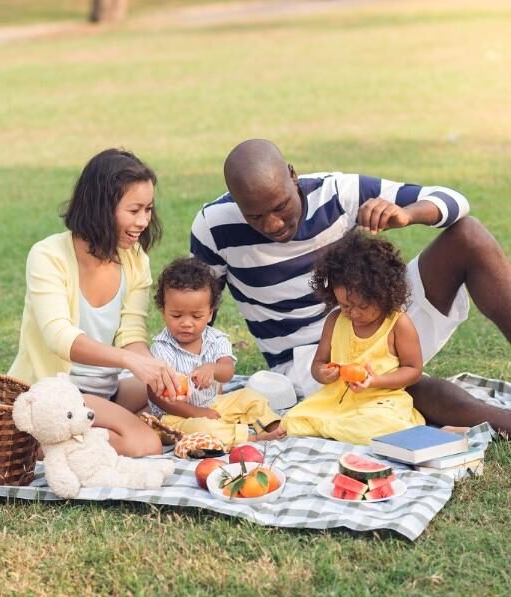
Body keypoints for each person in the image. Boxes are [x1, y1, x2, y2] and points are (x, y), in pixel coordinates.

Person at [191, 138, 511, 433]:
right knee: (403, 390)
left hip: (379, 319)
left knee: (467, 235)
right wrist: (193, 384)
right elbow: (199, 314)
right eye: (255, 216)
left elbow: (455, 201)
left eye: (280, 207)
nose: (273, 224)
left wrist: (407, 213)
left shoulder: (336, 193)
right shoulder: (214, 226)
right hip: (313, 361)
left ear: (293, 176)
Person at [9, 148, 183, 457]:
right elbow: (59, 337)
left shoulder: (134, 260)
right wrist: (129, 362)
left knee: (175, 397)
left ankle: (76, 434)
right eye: (134, 210)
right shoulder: (48, 256)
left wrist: (151, 367)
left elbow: (131, 332)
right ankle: (39, 441)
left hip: (103, 392)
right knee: (145, 443)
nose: (144, 220)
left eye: (149, 209)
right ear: (101, 207)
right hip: (55, 393)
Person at [281, 231, 425, 445]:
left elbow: (414, 370)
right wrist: (323, 373)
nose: (354, 313)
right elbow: (319, 363)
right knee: (290, 421)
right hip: (336, 401)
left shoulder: (397, 323)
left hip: (380, 402)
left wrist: (375, 381)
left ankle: (333, 430)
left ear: (384, 294)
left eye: (363, 306)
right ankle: (336, 428)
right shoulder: (335, 320)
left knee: (381, 426)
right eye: (346, 306)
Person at [147, 256, 286, 447]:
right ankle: (249, 438)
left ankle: (272, 425)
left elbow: (227, 372)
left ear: (210, 313)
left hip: (213, 404)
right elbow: (156, 395)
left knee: (249, 396)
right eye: (176, 315)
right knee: (205, 429)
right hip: (175, 418)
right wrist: (197, 413)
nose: (186, 323)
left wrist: (212, 368)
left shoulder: (215, 339)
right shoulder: (161, 348)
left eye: (197, 316)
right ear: (163, 311)